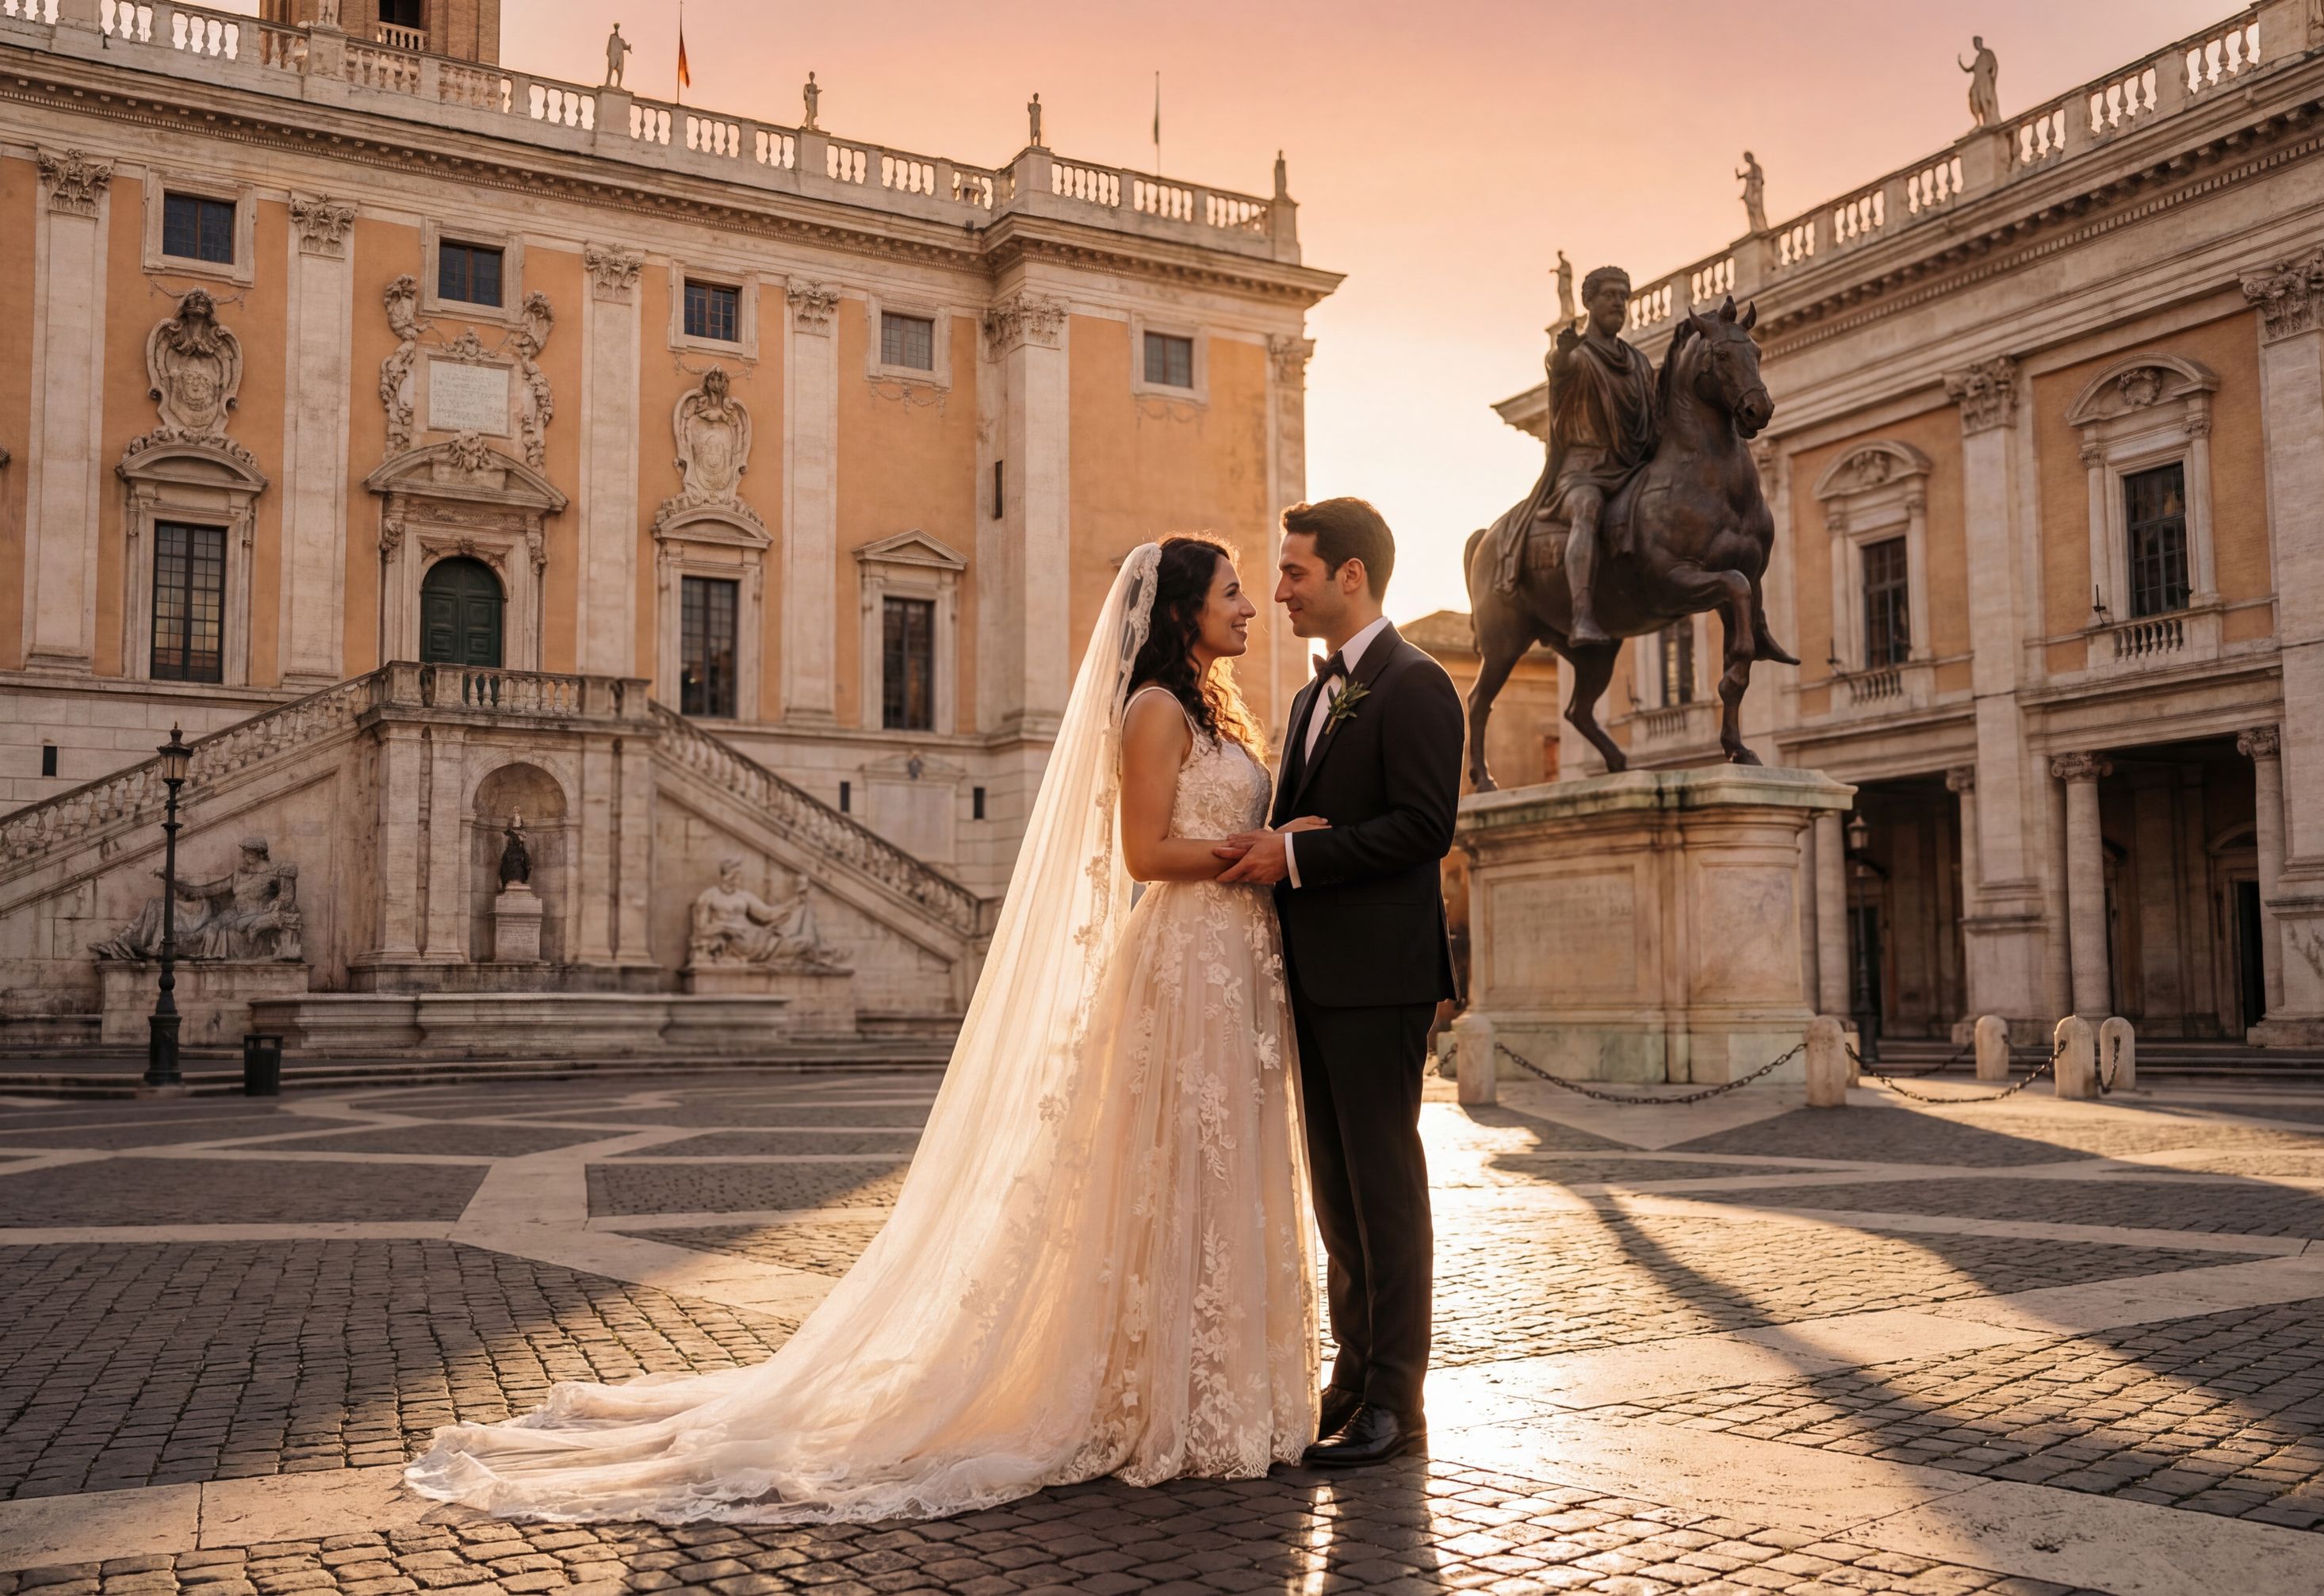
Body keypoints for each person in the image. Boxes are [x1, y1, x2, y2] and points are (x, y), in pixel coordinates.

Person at [408, 536, 1319, 1522]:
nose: (1249, 607)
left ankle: (1210, 1383)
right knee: (1175, 1170)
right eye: (1233, 592)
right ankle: (1162, 1393)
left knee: (1216, 1167)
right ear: (1182, 609)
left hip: (1231, 961)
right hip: (1186, 961)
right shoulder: (1154, 710)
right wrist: (1258, 850)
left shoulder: (1213, 709)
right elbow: (1143, 852)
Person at [1214, 497, 1464, 1467]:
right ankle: (1353, 1379)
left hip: (1381, 976)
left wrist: (1296, 857)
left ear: (1350, 575)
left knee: (1384, 1190)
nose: (1279, 591)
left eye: (1295, 572)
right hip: (1316, 975)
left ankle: (1398, 1402)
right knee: (1338, 1195)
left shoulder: (1417, 683)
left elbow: (1425, 828)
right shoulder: (1311, 697)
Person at [1490, 266, 1660, 647]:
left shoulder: (1638, 363)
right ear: (1589, 302)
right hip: (1582, 473)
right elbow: (1559, 366)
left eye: (1624, 296)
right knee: (1587, 508)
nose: (1619, 303)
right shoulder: (1579, 356)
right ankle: (1582, 615)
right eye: (1610, 295)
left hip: (1630, 467)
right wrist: (1563, 351)